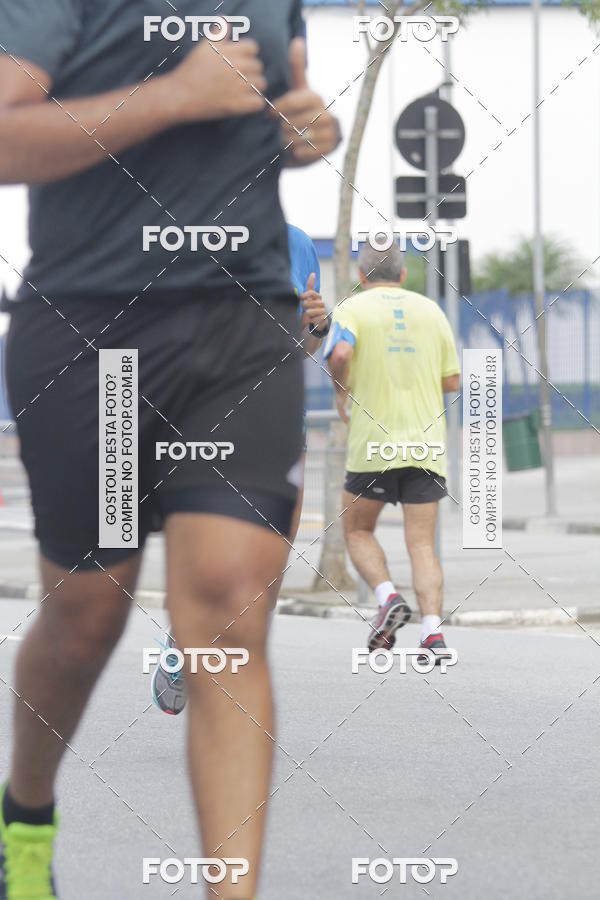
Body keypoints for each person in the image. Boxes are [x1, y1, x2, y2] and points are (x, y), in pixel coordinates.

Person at [0, 3, 341, 898]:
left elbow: (291, 99)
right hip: (99, 338)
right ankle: (25, 820)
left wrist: (310, 127)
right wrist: (174, 96)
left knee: (228, 607)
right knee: (87, 619)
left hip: (240, 323)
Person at [151, 224, 330, 715]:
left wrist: (316, 326)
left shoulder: (297, 242)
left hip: (278, 424)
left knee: (267, 572)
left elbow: (304, 347)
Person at [324, 242, 460, 659]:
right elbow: (452, 381)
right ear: (403, 275)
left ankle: (388, 598)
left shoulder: (351, 308)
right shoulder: (431, 311)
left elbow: (340, 352)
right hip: (426, 447)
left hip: (373, 445)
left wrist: (342, 389)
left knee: (357, 530)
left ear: (361, 277)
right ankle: (432, 633)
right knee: (421, 544)